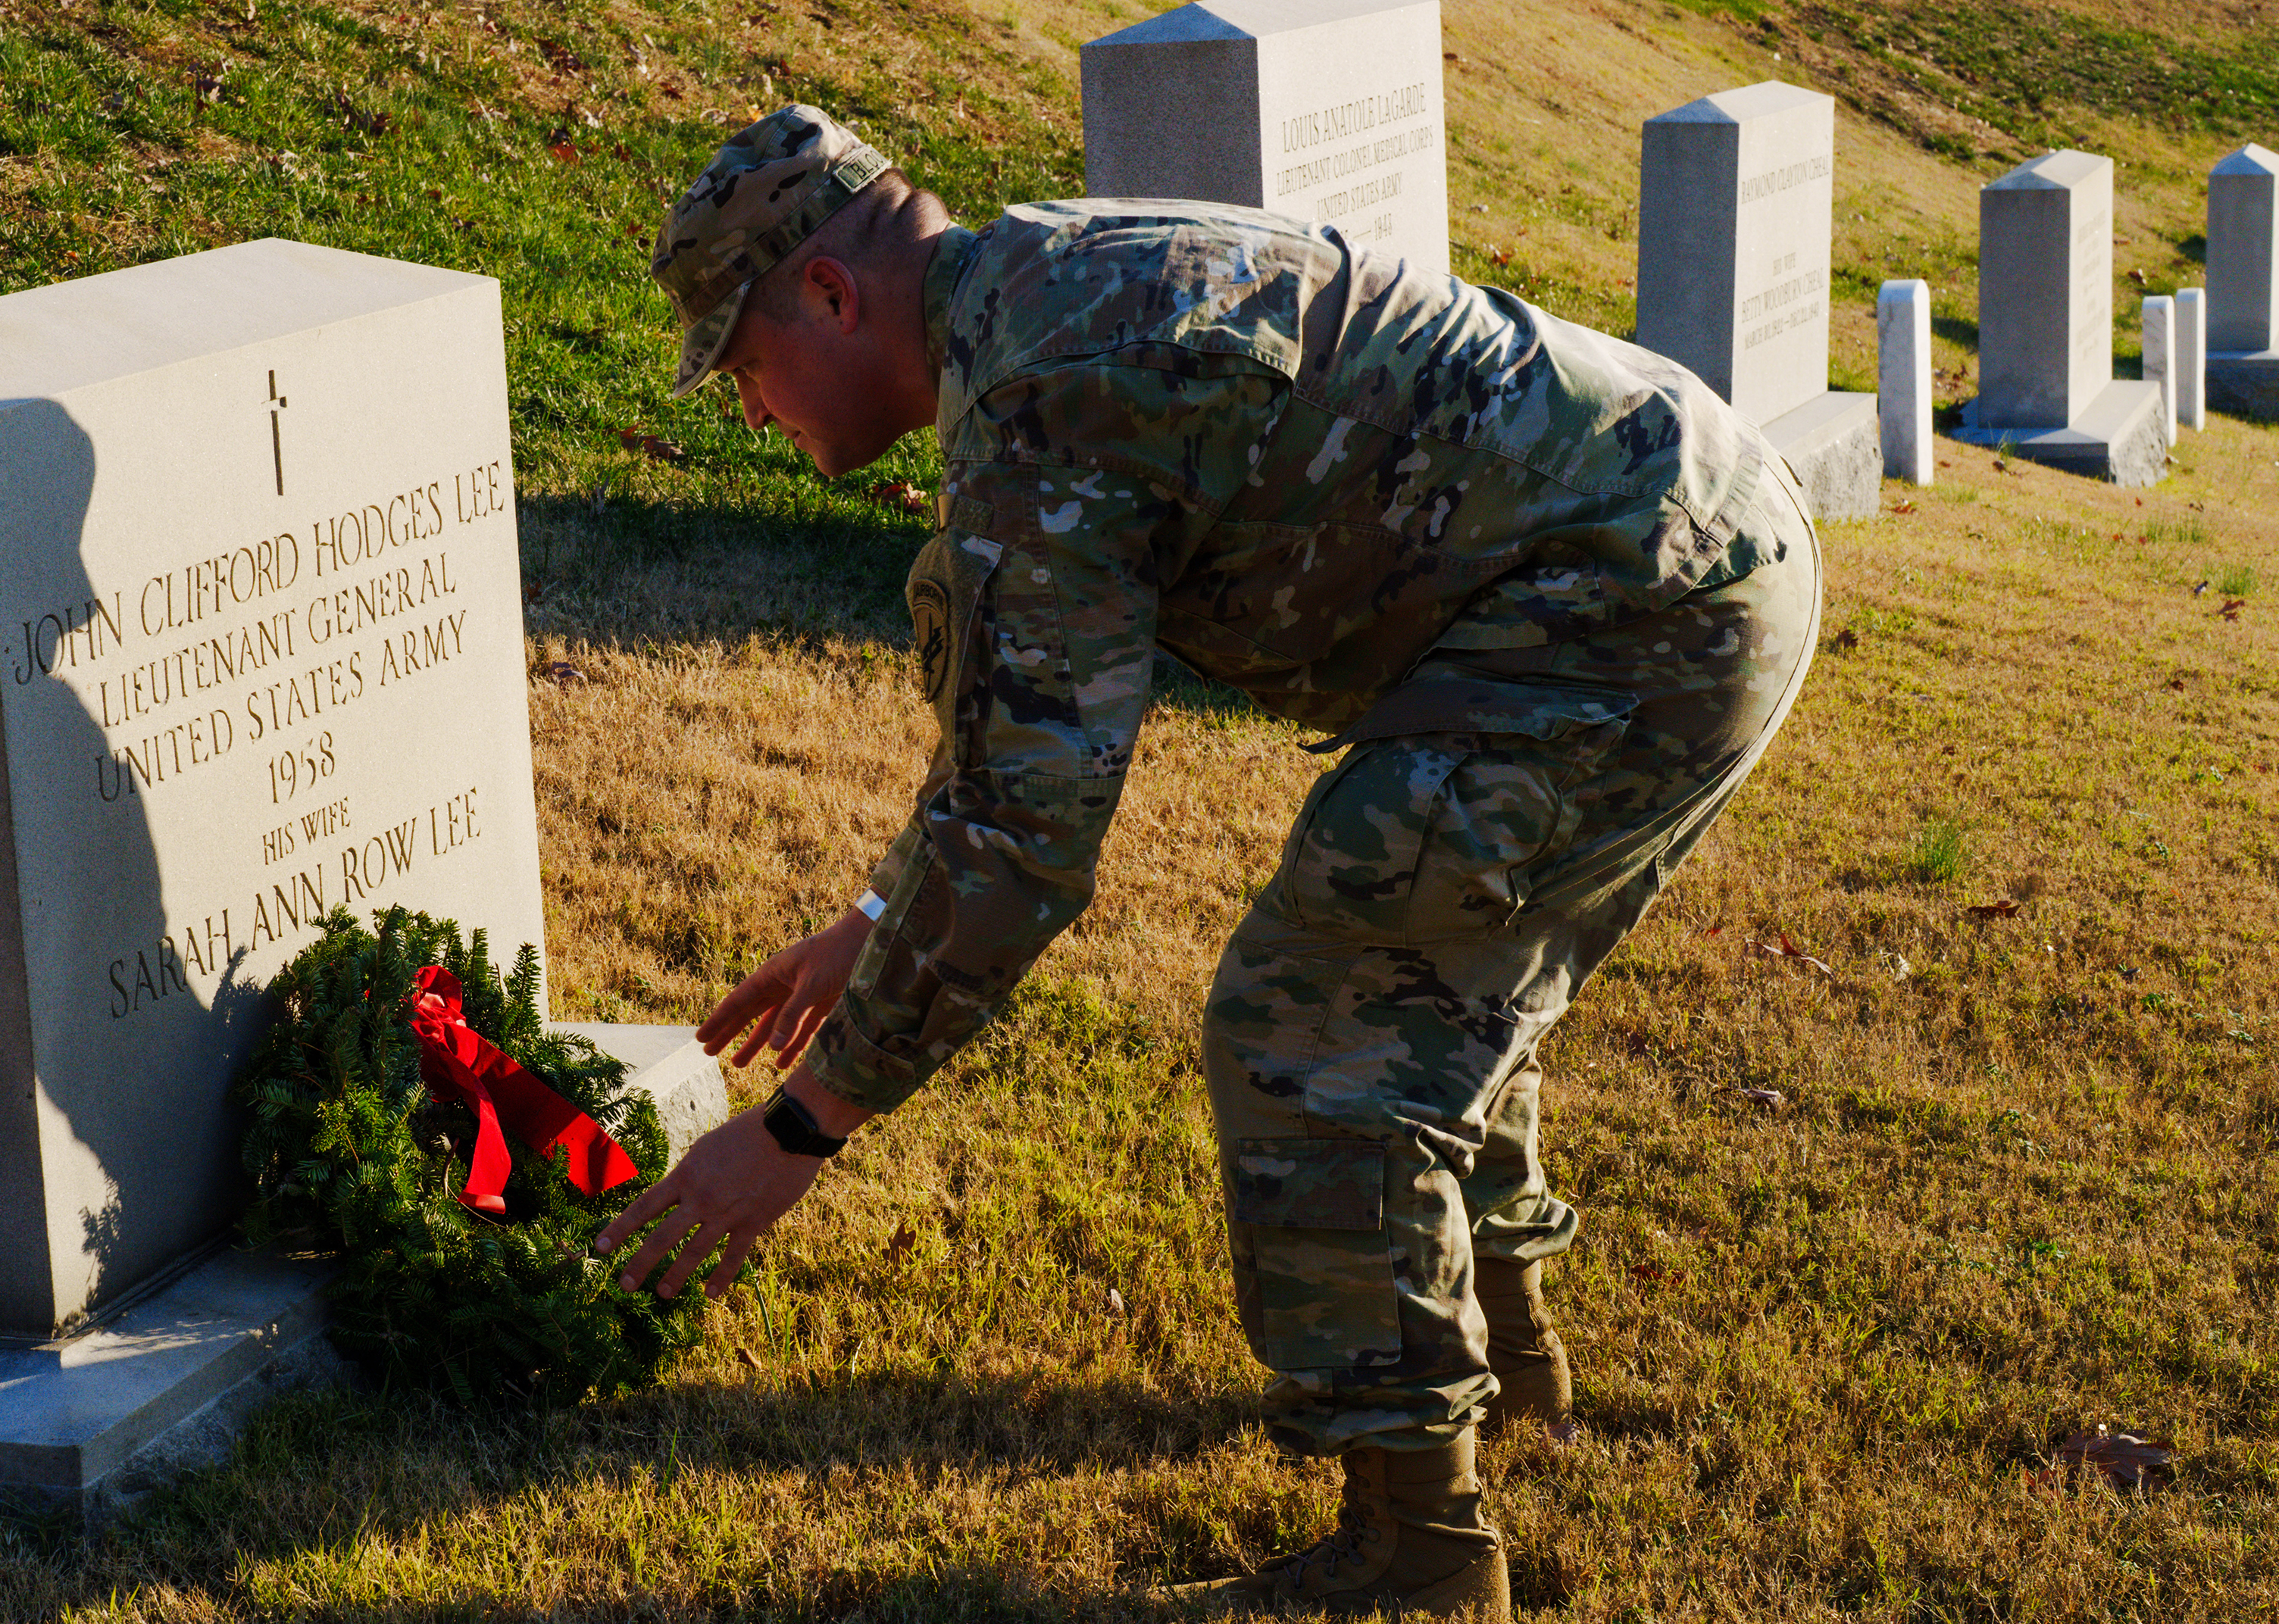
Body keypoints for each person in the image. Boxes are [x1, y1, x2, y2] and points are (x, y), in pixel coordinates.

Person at [594, 104, 1822, 1619]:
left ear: (830, 297)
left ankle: (1414, 1559)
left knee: (1318, 1023)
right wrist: (873, 915)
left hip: (1624, 608)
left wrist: (790, 1135)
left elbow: (1027, 845)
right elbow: (1020, 730)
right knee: (1429, 984)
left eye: (742, 362)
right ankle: (1511, 1375)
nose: (749, 405)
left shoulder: (1043, 396)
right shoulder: (1038, 284)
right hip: (1676, 543)